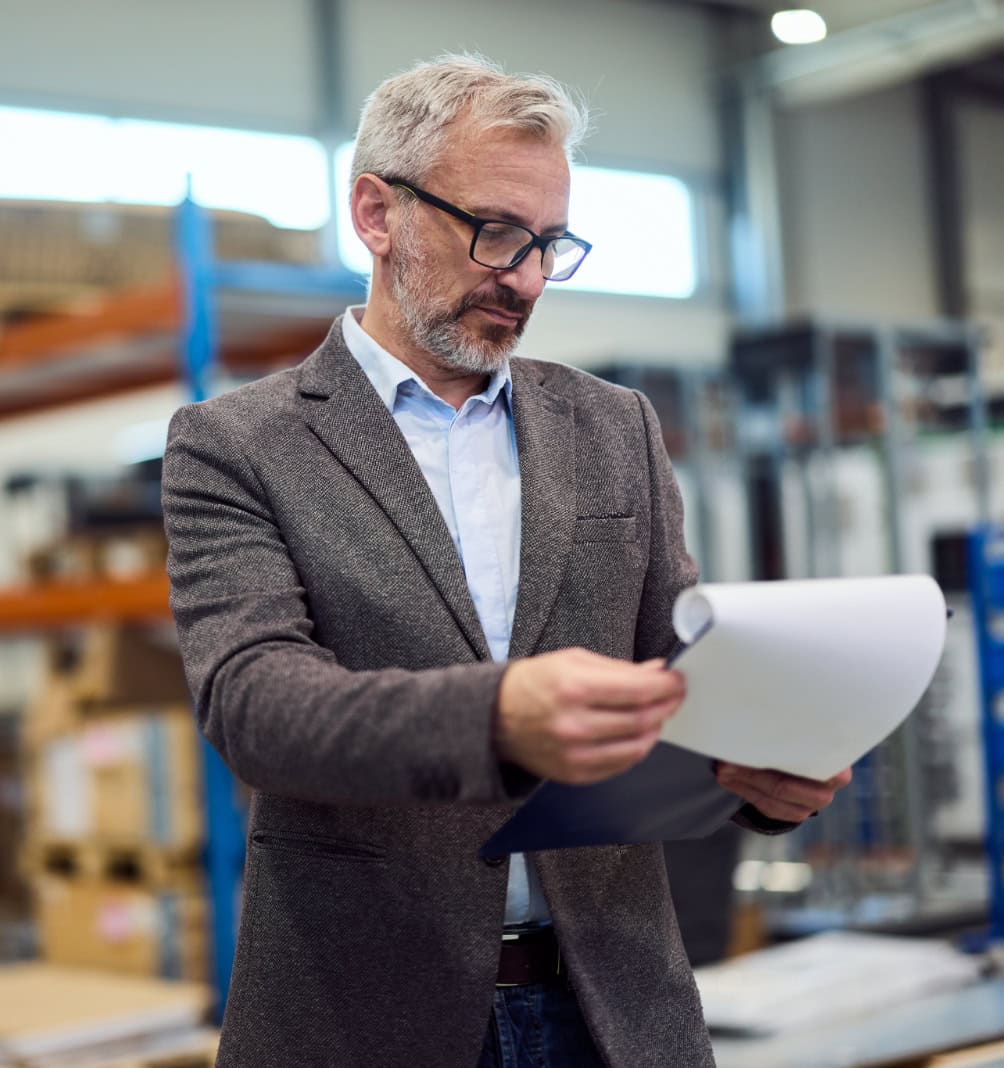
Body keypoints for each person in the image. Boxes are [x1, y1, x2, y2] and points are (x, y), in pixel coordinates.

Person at [162, 53, 851, 1068]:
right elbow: (257, 706)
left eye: (548, 243)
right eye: (493, 232)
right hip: (363, 1019)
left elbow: (678, 664)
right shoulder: (236, 445)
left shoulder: (611, 427)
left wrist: (753, 767)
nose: (525, 277)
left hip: (610, 1011)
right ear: (375, 213)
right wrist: (497, 717)